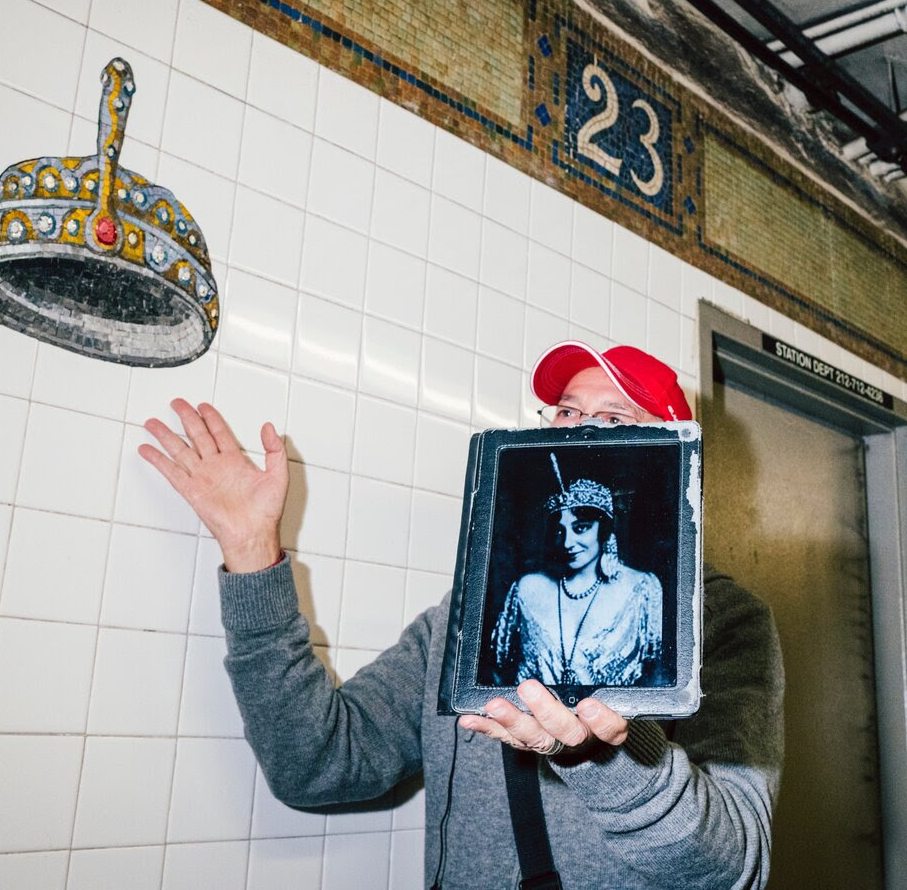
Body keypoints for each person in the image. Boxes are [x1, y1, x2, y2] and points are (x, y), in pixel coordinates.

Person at [139, 341, 784, 890]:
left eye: (614, 417)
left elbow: (735, 865)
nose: (578, 428)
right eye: (566, 411)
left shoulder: (721, 622)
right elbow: (318, 764)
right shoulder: (464, 617)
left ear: (668, 457)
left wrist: (606, 758)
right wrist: (252, 554)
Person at [491, 475, 663, 687]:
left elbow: (656, 676)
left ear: (604, 529)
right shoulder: (528, 588)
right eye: (559, 531)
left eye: (580, 528)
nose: (567, 542)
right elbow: (499, 671)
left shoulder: (640, 588)